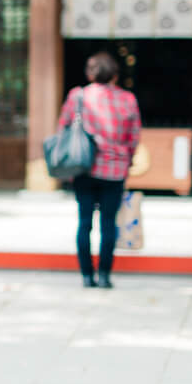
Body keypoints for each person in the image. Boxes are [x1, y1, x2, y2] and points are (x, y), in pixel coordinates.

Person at [56, 51, 142, 289]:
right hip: (115, 170)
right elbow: (133, 137)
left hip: (83, 167)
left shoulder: (78, 96)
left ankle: (86, 275)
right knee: (108, 223)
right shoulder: (128, 99)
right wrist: (128, 160)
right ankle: (104, 274)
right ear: (115, 75)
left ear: (90, 73)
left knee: (84, 222)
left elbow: (63, 127)